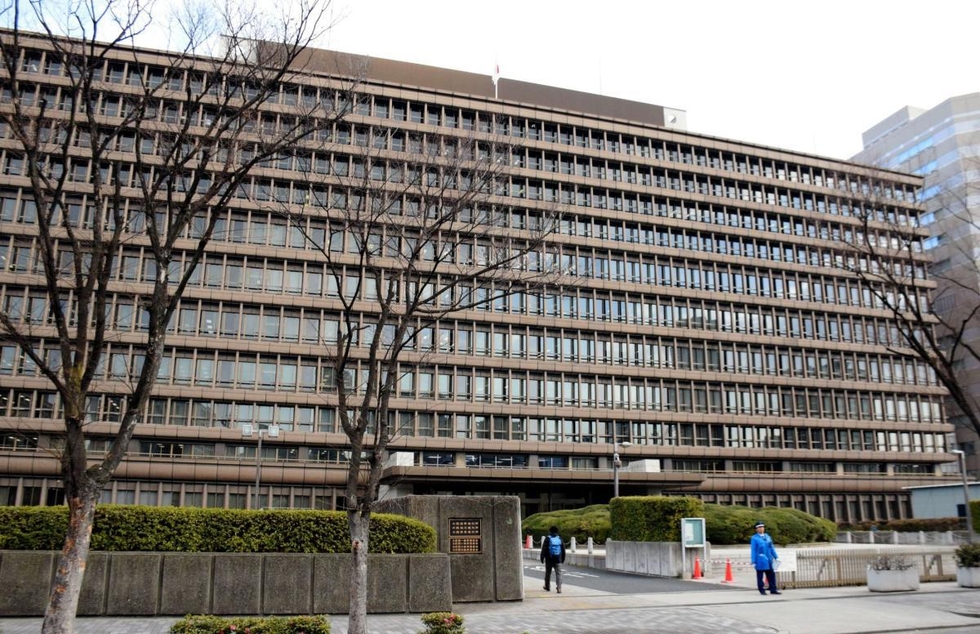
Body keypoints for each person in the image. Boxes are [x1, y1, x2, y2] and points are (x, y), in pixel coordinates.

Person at [750, 521, 781, 595]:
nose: (761, 529)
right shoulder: (754, 538)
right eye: (759, 527)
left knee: (771, 575)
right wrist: (753, 561)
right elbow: (753, 550)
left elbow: (771, 548)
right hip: (760, 559)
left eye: (762, 527)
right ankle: (761, 589)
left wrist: (776, 557)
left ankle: (773, 589)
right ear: (756, 529)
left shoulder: (768, 537)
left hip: (769, 559)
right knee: (760, 576)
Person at [540, 525, 566, 593]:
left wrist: (542, 557)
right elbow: (563, 549)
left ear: (550, 531)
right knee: (559, 573)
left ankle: (547, 586)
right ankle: (559, 588)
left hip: (549, 559)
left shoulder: (547, 538)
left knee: (548, 573)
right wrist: (563, 558)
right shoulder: (559, 538)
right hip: (558, 559)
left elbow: (544, 549)